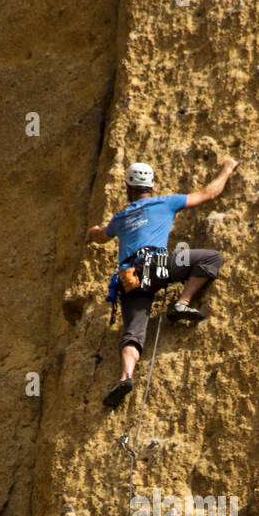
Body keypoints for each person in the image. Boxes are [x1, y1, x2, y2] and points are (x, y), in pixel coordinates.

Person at [86, 158, 237, 408]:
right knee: (212, 257)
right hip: (158, 266)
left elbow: (102, 236)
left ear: (128, 188)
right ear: (151, 187)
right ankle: (182, 303)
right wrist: (227, 170)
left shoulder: (120, 218)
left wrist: (91, 234)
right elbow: (208, 194)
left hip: (129, 280)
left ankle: (126, 377)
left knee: (133, 333)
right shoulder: (165, 203)